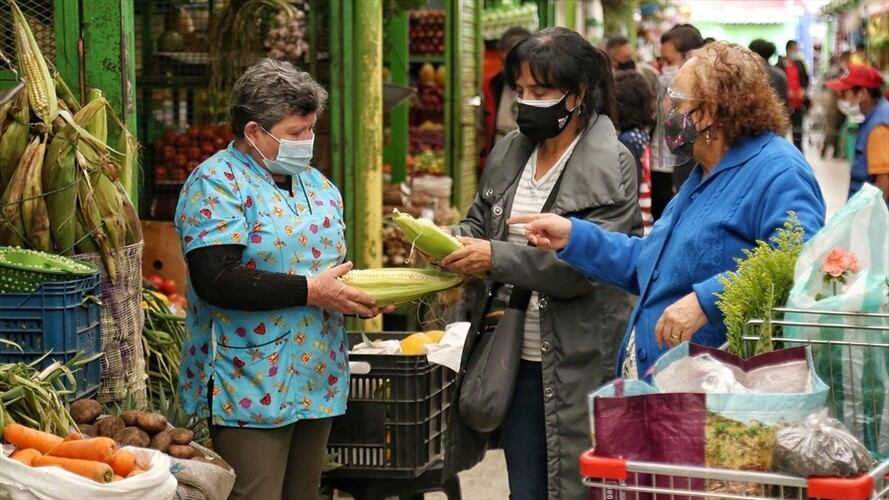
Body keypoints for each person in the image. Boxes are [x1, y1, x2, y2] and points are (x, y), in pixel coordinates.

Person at [509, 42, 826, 381]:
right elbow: (652, 265)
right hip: (663, 382)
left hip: (720, 392)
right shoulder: (703, 172)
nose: (666, 113)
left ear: (714, 112)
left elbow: (798, 261)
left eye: (677, 104)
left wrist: (704, 301)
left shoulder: (779, 171)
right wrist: (575, 236)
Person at [174, 59, 390, 500]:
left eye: (311, 130)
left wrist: (357, 296)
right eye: (295, 133)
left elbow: (331, 269)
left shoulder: (320, 187)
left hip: (316, 373)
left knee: (304, 493)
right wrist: (312, 291)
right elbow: (216, 280)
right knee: (255, 491)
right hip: (246, 379)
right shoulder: (216, 183)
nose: (307, 142)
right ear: (254, 132)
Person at [442, 27, 641, 500]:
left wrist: (495, 256)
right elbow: (480, 219)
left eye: (541, 92)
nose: (525, 101)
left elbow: (584, 269)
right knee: (526, 488)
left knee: (578, 486)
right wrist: (453, 242)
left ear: (576, 96)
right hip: (515, 353)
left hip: (579, 356)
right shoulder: (511, 151)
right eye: (521, 90)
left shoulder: (613, 164)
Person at [653, 24, 704, 218]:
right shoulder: (664, 82)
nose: (664, 67)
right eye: (661, 61)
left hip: (683, 164)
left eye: (668, 60)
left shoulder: (699, 91)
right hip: (666, 163)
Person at [826, 64, 889, 203]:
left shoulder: (879, 126)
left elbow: (883, 181)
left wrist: (868, 220)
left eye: (844, 93)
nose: (841, 98)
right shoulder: (874, 118)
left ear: (863, 94)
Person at [482, 27, 533, 158]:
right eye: (503, 62)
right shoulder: (492, 84)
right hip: (498, 155)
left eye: (512, 62)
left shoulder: (541, 87)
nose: (507, 69)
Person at [615, 69, 656, 233]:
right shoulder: (640, 135)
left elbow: (631, 188)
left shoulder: (627, 141)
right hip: (645, 219)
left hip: (635, 226)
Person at [778, 40, 810, 151]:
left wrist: (803, 90)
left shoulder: (800, 65)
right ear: (788, 49)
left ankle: (799, 155)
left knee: (798, 134)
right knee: (781, 135)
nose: (796, 52)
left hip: (798, 105)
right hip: (784, 106)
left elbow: (806, 80)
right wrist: (785, 93)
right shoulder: (779, 66)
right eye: (794, 49)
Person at [748, 39, 788, 106]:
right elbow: (784, 99)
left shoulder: (749, 73)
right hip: (775, 112)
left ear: (755, 53)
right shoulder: (780, 74)